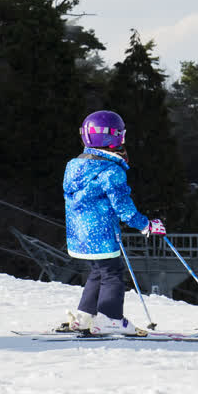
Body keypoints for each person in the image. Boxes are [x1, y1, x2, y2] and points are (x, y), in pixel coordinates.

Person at [61, 109, 166, 335]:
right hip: (100, 234)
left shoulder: (74, 165)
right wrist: (146, 225)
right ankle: (110, 318)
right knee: (113, 273)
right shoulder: (111, 170)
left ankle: (84, 317)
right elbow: (123, 207)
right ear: (115, 137)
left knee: (99, 272)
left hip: (78, 236)